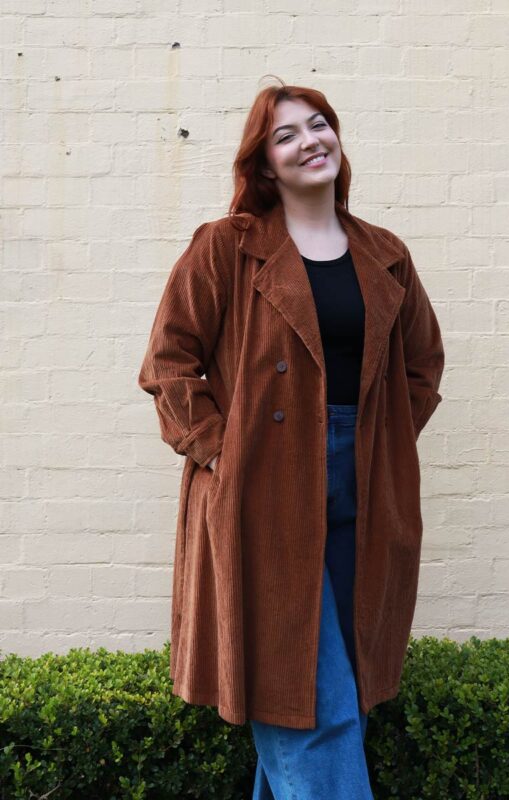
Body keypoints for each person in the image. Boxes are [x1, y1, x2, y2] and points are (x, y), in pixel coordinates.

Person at [138, 77, 445, 800]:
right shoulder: (227, 247)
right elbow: (169, 361)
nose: (310, 140)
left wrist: (384, 445)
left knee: (340, 695)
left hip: (365, 483)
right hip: (261, 485)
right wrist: (221, 448)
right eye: (286, 134)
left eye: (318, 124)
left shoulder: (385, 253)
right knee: (309, 702)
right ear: (264, 164)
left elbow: (420, 368)